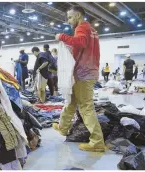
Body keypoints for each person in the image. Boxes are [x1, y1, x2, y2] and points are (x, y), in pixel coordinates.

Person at [54, 6, 105, 152]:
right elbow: (83, 47)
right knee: (71, 100)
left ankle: (97, 141)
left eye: (70, 17)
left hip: (84, 73)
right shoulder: (91, 29)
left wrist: (62, 36)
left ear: (78, 15)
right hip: (87, 71)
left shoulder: (81, 27)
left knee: (86, 107)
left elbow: (80, 43)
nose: (68, 21)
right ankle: (63, 127)